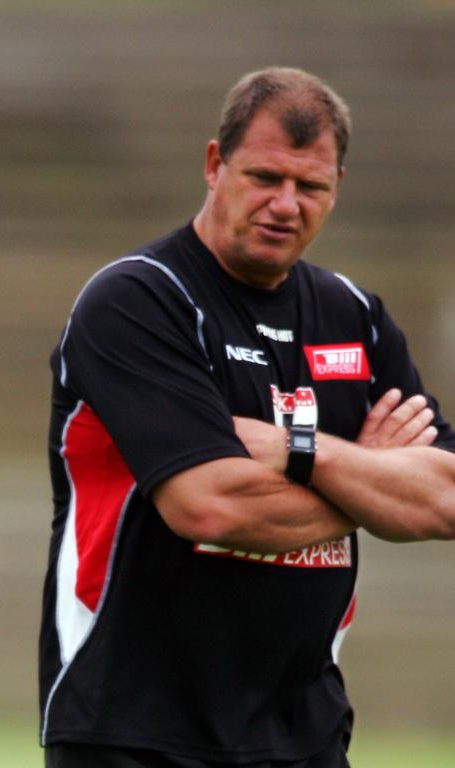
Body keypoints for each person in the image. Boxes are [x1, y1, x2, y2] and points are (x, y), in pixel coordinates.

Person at [39, 66, 455, 768]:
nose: (286, 204)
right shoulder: (139, 301)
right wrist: (374, 484)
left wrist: (302, 450)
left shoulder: (356, 318)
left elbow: (444, 500)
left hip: (305, 730)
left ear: (338, 189)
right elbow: (211, 506)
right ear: (214, 164)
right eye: (265, 177)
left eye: (311, 187)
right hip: (131, 731)